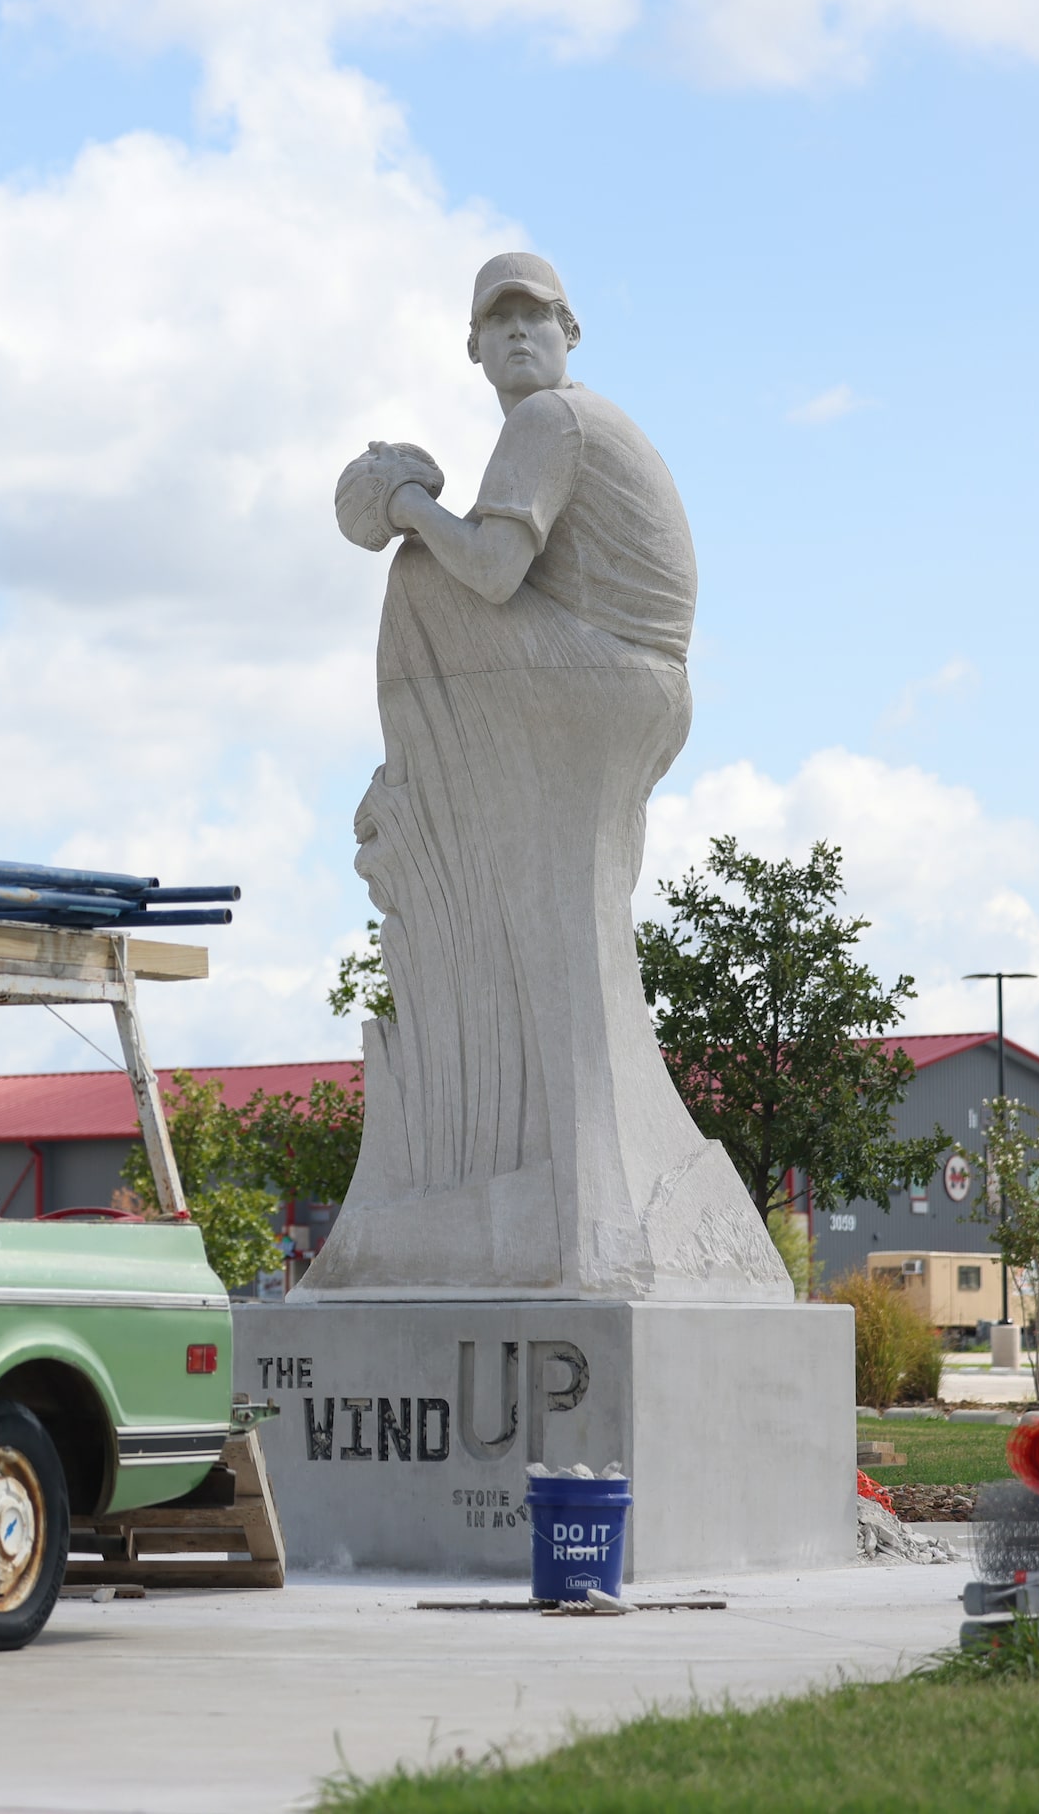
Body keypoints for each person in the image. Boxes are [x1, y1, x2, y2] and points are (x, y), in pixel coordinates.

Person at [303, 251, 783, 1303]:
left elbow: (488, 570)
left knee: (423, 575)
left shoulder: (550, 421)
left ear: (570, 333)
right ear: (474, 346)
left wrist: (405, 504)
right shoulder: (553, 421)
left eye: (538, 316)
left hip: (603, 685)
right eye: (499, 320)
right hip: (628, 688)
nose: (520, 334)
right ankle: (577, 1208)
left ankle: (585, 1228)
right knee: (567, 925)